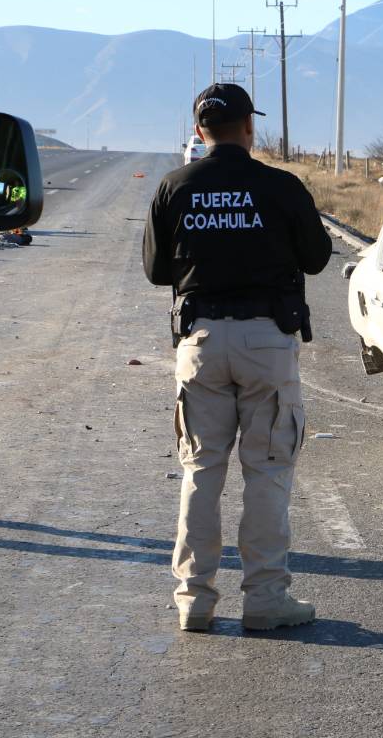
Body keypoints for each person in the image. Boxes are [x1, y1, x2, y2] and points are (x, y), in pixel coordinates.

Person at [142, 83, 332, 632]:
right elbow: (317, 259)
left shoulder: (175, 186)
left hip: (200, 342)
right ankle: (266, 599)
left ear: (200, 132)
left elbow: (157, 271)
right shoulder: (281, 186)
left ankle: (194, 601)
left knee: (201, 470)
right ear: (250, 128)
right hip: (268, 343)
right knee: (268, 472)